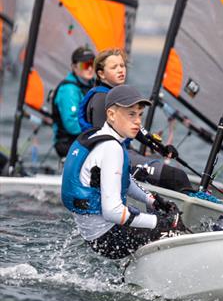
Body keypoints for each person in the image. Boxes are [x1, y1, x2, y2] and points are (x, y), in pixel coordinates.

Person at [61, 85, 186, 259]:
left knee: (161, 220)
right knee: (178, 235)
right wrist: (159, 223)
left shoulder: (100, 136)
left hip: (96, 236)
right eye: (131, 114)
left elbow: (123, 180)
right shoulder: (111, 148)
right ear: (111, 115)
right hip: (109, 238)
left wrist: (151, 201)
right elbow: (112, 212)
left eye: (140, 115)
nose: (138, 122)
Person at [77, 48, 192, 192]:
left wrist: (162, 148)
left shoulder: (116, 97)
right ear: (101, 74)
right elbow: (104, 144)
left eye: (122, 66)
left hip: (124, 152)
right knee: (176, 176)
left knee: (173, 176)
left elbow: (136, 130)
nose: (120, 70)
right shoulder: (101, 99)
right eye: (114, 67)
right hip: (111, 159)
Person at [52, 46, 96, 157]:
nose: (90, 68)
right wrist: (97, 132)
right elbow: (72, 124)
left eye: (92, 64)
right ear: (74, 67)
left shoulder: (94, 84)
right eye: (85, 65)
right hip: (69, 143)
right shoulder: (68, 90)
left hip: (87, 138)